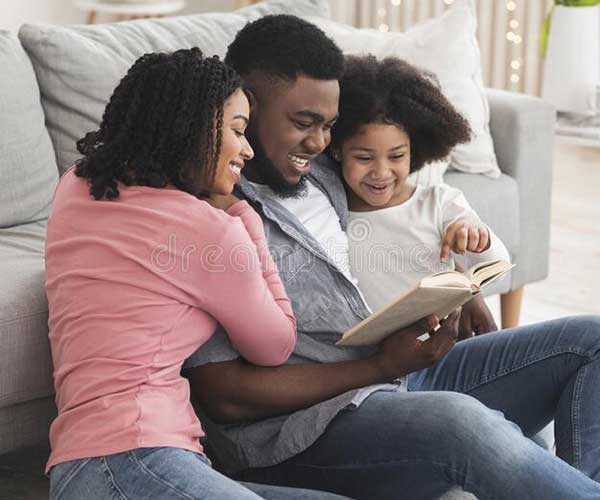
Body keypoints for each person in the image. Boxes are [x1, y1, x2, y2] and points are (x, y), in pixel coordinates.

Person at [183, 15, 600, 500]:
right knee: (459, 422)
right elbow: (225, 398)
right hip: (304, 431)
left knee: (590, 341)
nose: (319, 143)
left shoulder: (318, 172)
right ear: (246, 108)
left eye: (329, 127)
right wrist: (377, 368)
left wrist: (454, 287)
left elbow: (398, 181)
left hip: (399, 377)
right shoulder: (206, 211)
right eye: (303, 123)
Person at [44, 47, 350, 500]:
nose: (246, 149)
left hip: (89, 465)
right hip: (133, 456)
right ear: (192, 128)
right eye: (237, 130)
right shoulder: (209, 230)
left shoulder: (78, 183)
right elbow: (275, 345)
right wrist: (242, 219)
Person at [331, 55, 510, 318]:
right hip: (373, 353)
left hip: (443, 346)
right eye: (364, 158)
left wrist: (477, 238)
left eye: (396, 156)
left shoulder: (441, 203)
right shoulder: (330, 212)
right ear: (337, 150)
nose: (381, 173)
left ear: (414, 150)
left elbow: (494, 263)